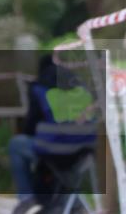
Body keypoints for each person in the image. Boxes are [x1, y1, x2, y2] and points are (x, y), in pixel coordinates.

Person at [8, 55, 97, 214]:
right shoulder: (80, 84)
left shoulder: (39, 87)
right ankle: (69, 202)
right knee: (60, 162)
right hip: (86, 149)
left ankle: (26, 198)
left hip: (55, 150)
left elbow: (31, 125)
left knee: (16, 144)